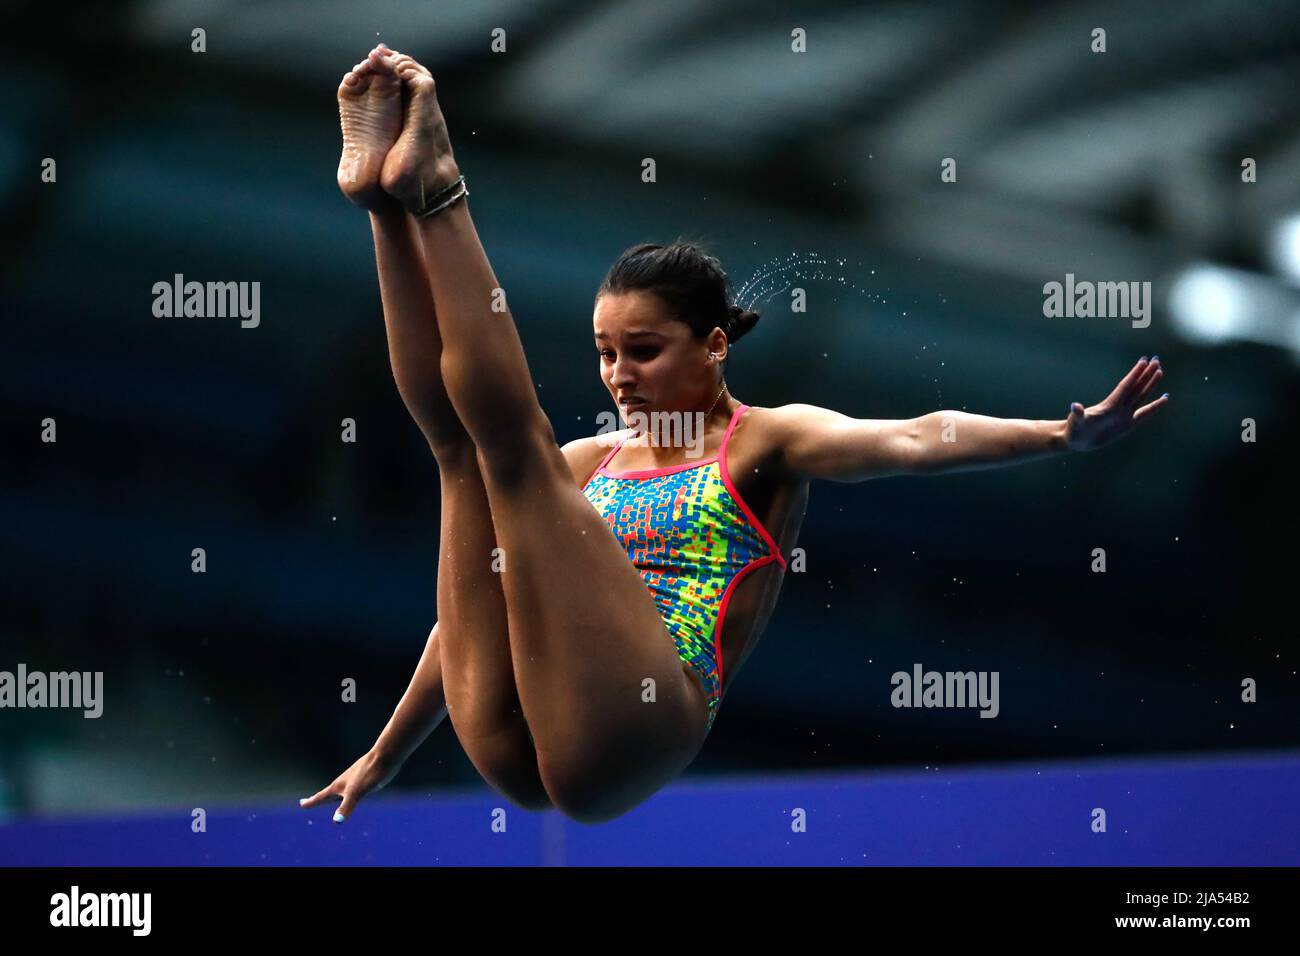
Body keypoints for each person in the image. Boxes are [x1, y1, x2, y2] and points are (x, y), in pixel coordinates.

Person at [301, 45, 1170, 825]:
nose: (618, 376)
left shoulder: (764, 443)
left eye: (644, 351)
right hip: (524, 742)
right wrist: (385, 754)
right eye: (605, 354)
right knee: (461, 456)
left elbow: (913, 436)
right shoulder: (588, 462)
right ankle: (385, 202)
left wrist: (1058, 436)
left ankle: (442, 190)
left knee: (508, 452)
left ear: (713, 346)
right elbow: (465, 617)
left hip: (642, 721)